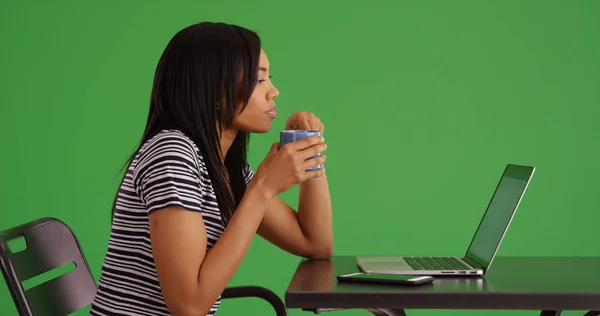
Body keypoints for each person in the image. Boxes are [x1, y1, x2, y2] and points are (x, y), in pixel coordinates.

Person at [88, 21, 333, 316]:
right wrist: (263, 188)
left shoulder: (223, 166)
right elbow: (189, 306)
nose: (274, 92)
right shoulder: (172, 155)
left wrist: (309, 148)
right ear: (214, 89)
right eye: (259, 80)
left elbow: (315, 244)